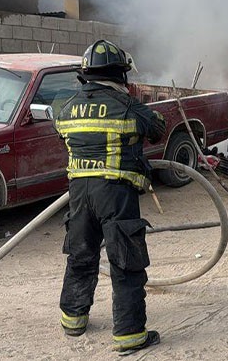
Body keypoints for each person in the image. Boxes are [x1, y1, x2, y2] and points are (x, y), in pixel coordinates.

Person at [54, 40, 166, 354]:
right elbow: (158, 128)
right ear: (121, 74)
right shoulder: (127, 105)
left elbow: (59, 129)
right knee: (125, 261)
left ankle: (73, 320)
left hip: (79, 194)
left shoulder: (67, 105)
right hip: (115, 194)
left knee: (81, 255)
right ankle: (130, 335)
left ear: (86, 74)